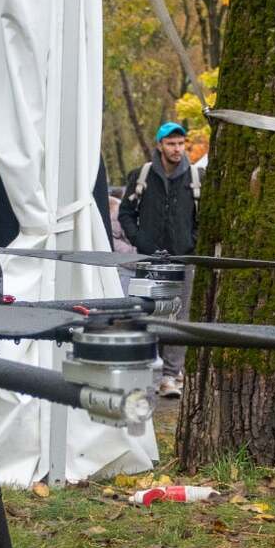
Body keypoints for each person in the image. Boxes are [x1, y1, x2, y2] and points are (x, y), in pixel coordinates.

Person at [119, 121, 202, 398]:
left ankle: (170, 375)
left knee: (180, 315)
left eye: (180, 143)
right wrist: (140, 241)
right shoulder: (141, 175)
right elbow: (125, 214)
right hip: (150, 257)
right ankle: (144, 371)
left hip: (183, 257)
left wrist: (192, 243)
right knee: (149, 311)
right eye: (171, 144)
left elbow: (204, 217)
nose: (177, 149)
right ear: (160, 145)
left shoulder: (195, 176)